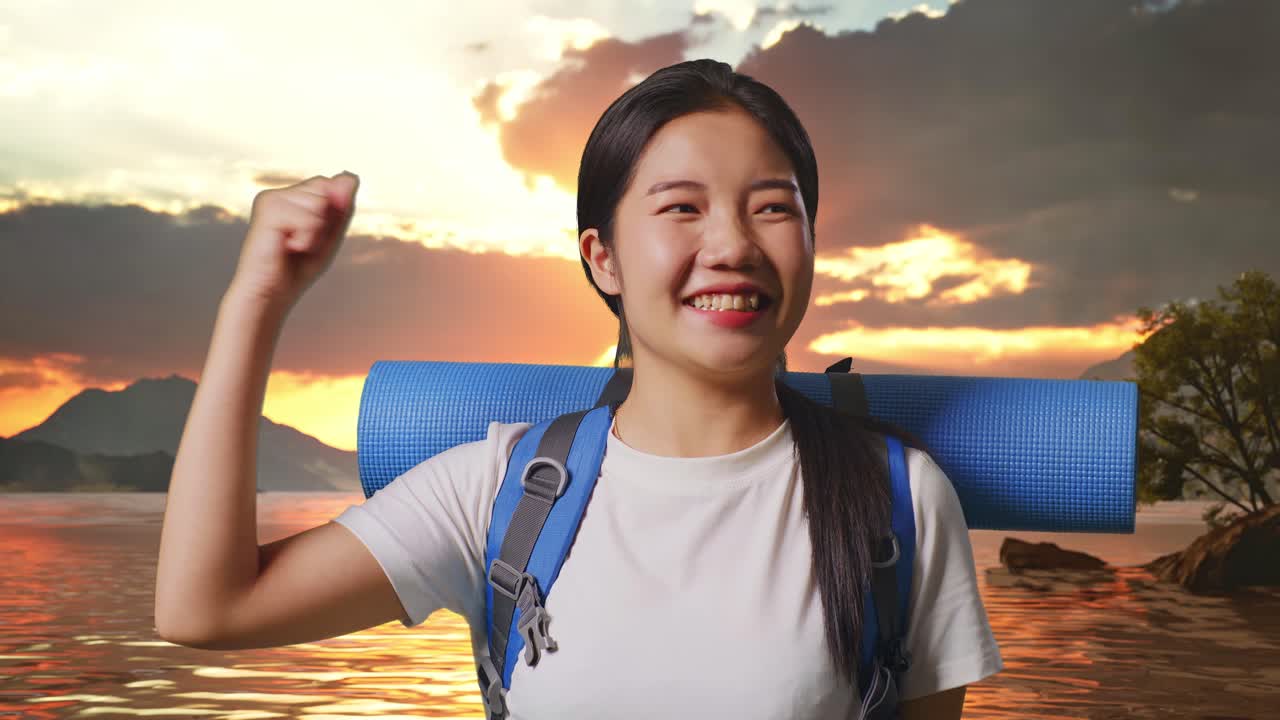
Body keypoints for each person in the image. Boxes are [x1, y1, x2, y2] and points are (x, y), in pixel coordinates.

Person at [155, 58, 1003, 719]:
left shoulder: (898, 504)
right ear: (603, 259)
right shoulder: (500, 495)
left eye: (772, 208)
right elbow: (209, 609)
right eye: (681, 208)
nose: (734, 245)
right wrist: (257, 300)